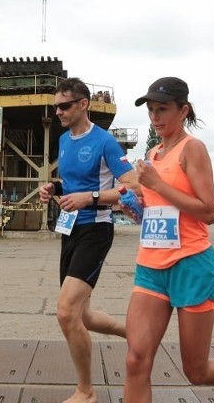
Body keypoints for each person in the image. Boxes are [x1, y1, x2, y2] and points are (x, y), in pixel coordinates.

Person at [124, 77, 214, 403]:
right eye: (150, 111)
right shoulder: (153, 152)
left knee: (195, 370)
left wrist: (158, 185)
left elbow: (208, 211)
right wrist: (137, 209)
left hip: (190, 264)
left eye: (162, 110)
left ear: (183, 110)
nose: (155, 118)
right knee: (136, 360)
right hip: (150, 265)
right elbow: (159, 208)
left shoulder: (193, 150)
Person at [38, 77, 137, 403]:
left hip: (96, 230)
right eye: (55, 107)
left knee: (65, 313)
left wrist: (90, 198)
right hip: (69, 230)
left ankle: (86, 392)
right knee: (83, 316)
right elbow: (72, 184)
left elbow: (132, 187)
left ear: (83, 104)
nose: (58, 112)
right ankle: (134, 334)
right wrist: (54, 189)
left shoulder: (105, 141)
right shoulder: (64, 140)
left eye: (64, 106)